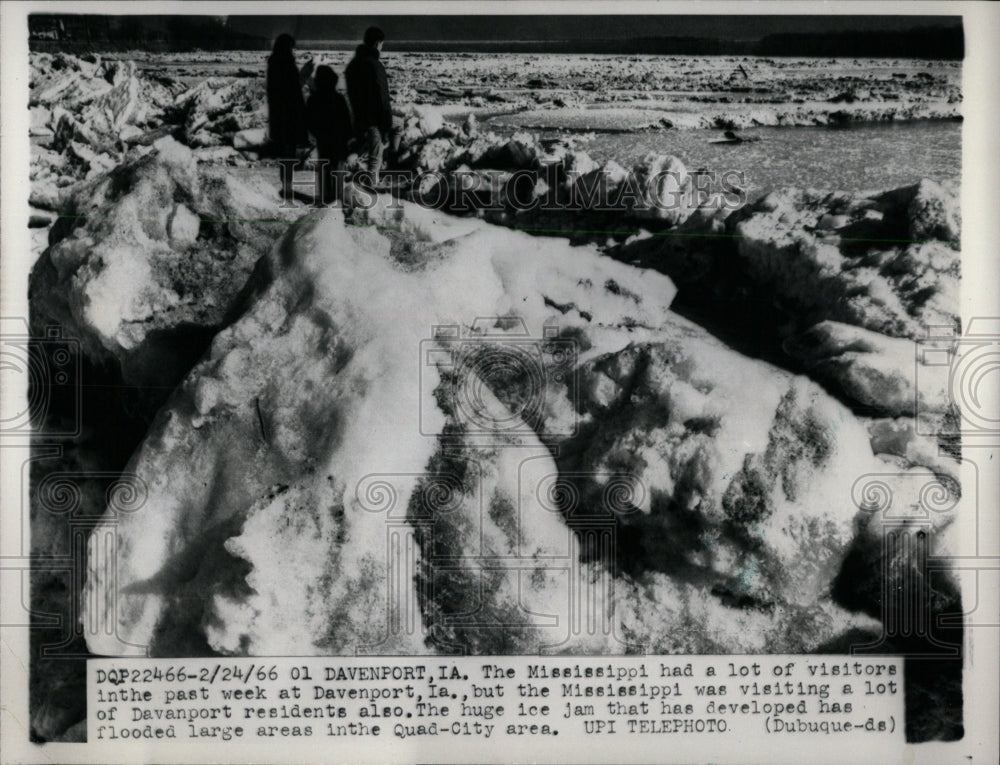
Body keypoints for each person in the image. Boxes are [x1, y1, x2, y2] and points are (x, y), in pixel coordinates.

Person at [345, 26, 392, 185]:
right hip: (374, 119)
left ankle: (360, 165)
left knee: (369, 144)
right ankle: (373, 183)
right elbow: (382, 97)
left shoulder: (353, 65)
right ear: (378, 43)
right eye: (382, 44)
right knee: (376, 150)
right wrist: (386, 123)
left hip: (358, 116)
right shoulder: (375, 66)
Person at [267, 33, 312, 195]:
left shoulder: (275, 63)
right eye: (292, 48)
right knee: (288, 153)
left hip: (280, 116)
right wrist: (307, 71)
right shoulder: (285, 63)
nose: (294, 51)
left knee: (287, 154)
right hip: (289, 115)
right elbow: (293, 87)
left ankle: (286, 186)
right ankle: (287, 188)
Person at [305, 66, 353, 203]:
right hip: (339, 140)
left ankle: (326, 198)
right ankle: (336, 200)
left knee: (325, 168)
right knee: (337, 169)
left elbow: (308, 121)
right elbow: (347, 121)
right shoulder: (339, 98)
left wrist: (317, 135)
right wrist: (349, 137)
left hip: (324, 140)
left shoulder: (313, 99)